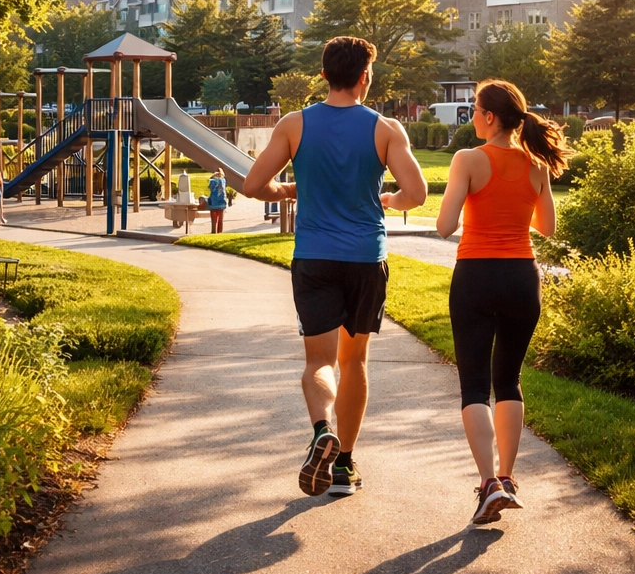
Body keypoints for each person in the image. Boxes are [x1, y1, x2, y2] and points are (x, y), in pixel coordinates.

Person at [242, 36, 427, 498]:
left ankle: (322, 429)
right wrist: (388, 200)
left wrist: (286, 192)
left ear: (323, 75)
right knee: (354, 360)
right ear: (367, 76)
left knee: (319, 361)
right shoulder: (386, 129)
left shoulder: (294, 124)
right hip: (366, 258)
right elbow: (417, 195)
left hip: (316, 257)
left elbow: (251, 185)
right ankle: (343, 465)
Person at [436, 79, 568, 527]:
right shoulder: (536, 166)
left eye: (475, 109)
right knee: (508, 381)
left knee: (475, 387)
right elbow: (546, 227)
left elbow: (444, 224)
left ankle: (488, 484)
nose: (472, 115)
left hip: (476, 275)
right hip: (520, 278)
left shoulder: (468, 159)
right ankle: (508, 479)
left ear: (490, 117)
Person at [207, 168, 228, 234]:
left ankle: (213, 231)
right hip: (222, 202)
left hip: (213, 203)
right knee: (220, 220)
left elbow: (210, 187)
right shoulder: (223, 181)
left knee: (214, 220)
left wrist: (212, 177)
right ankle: (220, 232)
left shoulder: (212, 181)